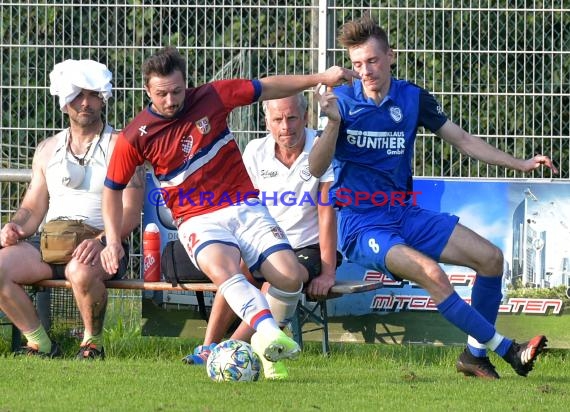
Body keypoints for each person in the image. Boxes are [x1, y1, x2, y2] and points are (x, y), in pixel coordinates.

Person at [309, 16, 557, 380]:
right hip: (361, 224)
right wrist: (332, 122)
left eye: (373, 61)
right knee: (431, 273)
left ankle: (474, 357)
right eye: (358, 64)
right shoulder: (341, 101)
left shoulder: (412, 98)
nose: (366, 71)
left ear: (390, 56)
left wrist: (518, 163)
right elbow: (317, 168)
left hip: (403, 213)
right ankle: (509, 350)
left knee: (491, 258)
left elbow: (463, 140)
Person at [100, 47, 356, 372]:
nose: (170, 100)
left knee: (290, 277)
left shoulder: (212, 97)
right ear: (148, 91)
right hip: (196, 220)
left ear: (186, 85)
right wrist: (111, 240)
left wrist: (319, 78)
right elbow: (111, 190)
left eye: (177, 91)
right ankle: (268, 335)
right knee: (225, 270)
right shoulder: (136, 136)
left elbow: (268, 86)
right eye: (161, 94)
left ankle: (256, 341)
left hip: (244, 207)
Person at [182, 93, 341, 380]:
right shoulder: (255, 151)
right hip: (264, 240)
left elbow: (327, 212)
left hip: (307, 247)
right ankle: (207, 347)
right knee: (233, 275)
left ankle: (235, 347)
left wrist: (328, 272)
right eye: (278, 119)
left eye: (292, 117)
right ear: (266, 121)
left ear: (305, 117)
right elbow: (242, 208)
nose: (285, 126)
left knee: (277, 277)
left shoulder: (321, 147)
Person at [0, 59, 145, 359]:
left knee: (79, 271)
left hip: (103, 241)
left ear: (102, 98)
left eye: (93, 95)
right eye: (77, 95)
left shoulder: (122, 145)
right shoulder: (47, 148)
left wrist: (103, 241)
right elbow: (32, 206)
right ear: (64, 101)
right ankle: (40, 343)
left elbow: (131, 211)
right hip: (50, 242)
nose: (86, 103)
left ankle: (92, 344)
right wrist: (16, 227)